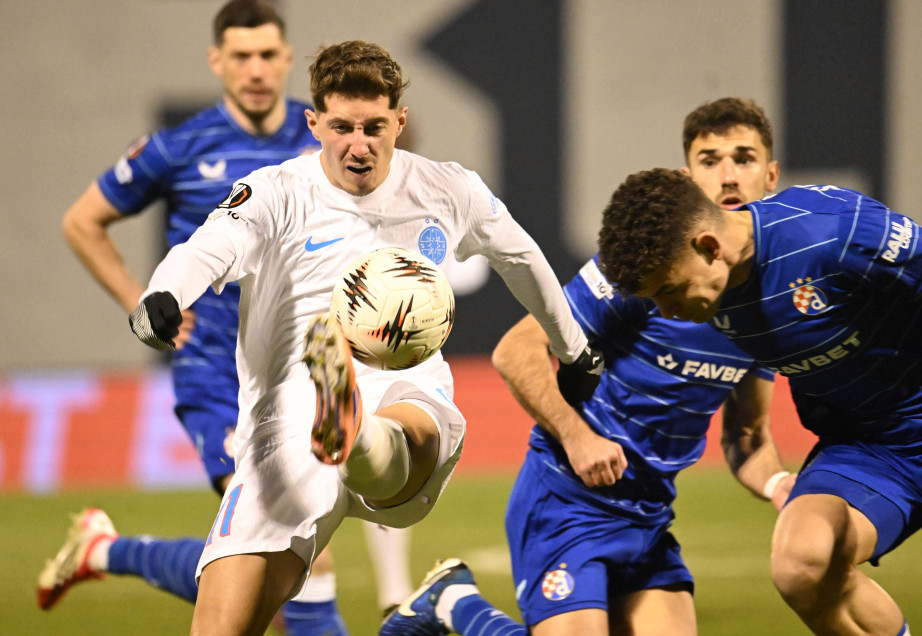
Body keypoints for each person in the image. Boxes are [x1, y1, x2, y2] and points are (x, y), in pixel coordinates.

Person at [125, 39, 600, 636]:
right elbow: (207, 249)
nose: (359, 144)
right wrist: (164, 295)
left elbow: (521, 257)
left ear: (400, 121)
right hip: (289, 415)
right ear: (314, 123)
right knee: (224, 625)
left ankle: (357, 434)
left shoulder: (447, 189)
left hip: (404, 389)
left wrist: (573, 348)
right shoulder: (275, 192)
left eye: (375, 127)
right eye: (343, 127)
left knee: (410, 427)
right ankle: (350, 430)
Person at [380, 98, 796, 635]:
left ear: (771, 175)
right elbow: (517, 350)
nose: (728, 175)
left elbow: (747, 436)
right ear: (689, 175)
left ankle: (453, 601)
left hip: (648, 518)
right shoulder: (646, 271)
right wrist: (578, 438)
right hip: (568, 503)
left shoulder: (766, 306)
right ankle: (457, 607)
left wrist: (780, 484)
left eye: (743, 158)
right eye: (710, 160)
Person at [594, 168, 922, 635]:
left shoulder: (833, 230)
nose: (668, 312)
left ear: (710, 247)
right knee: (803, 564)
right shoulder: (708, 291)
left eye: (669, 292)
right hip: (868, 445)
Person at [40, 2, 373, 632]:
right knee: (293, 547)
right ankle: (106, 551)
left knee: (268, 574)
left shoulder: (320, 140)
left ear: (287, 58)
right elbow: (82, 222)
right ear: (217, 61)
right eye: (241, 56)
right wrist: (141, 299)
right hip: (216, 373)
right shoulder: (179, 148)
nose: (256, 70)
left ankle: (104, 550)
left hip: (300, 369)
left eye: (268, 55)